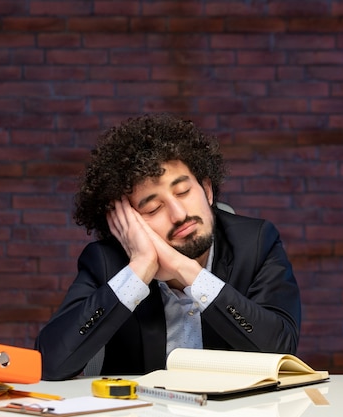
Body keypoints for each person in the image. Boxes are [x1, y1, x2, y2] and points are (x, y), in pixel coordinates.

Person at [35, 113, 301, 381]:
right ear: (127, 223)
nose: (179, 214)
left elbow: (280, 349)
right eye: (153, 207)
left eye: (183, 191)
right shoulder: (107, 262)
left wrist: (188, 273)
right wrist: (139, 269)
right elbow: (49, 363)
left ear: (207, 190)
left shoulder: (255, 242)